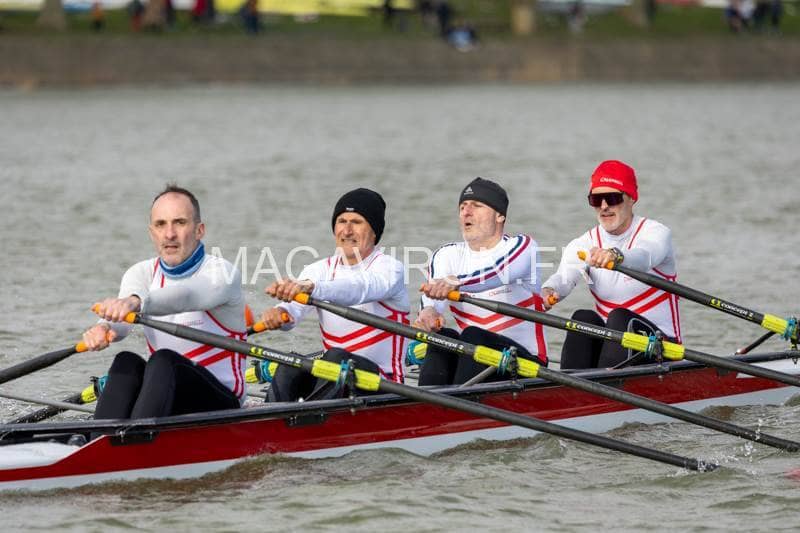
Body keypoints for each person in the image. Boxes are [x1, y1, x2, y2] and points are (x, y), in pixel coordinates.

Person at [83, 185, 247, 420]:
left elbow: (186, 296)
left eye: (179, 222)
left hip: (222, 402)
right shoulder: (140, 273)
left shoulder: (222, 273)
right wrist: (104, 327)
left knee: (164, 360)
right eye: (161, 224)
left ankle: (136, 436)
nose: (169, 234)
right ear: (152, 233)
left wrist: (135, 303)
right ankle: (98, 436)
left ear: (199, 230)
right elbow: (123, 322)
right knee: (126, 361)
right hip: (167, 394)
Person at [260, 188, 409, 401]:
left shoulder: (390, 269)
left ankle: (313, 415)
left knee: (336, 357)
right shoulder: (318, 270)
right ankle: (271, 417)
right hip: (336, 378)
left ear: (374, 231)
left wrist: (312, 288)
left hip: (385, 386)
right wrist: (279, 312)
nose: (347, 231)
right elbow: (293, 311)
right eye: (341, 221)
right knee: (290, 363)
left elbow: (359, 288)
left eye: (356, 222)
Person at [542, 160, 681, 370]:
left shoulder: (655, 233)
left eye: (613, 198)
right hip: (614, 350)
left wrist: (616, 256)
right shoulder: (583, 244)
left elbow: (644, 257)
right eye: (597, 199)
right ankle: (571, 385)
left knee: (619, 318)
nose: (604, 206)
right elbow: (564, 277)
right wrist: (548, 291)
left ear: (631, 198)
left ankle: (600, 384)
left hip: (662, 350)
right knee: (582, 318)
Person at [415, 177, 548, 386]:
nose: (466, 212)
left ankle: (459, 401)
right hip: (476, 363)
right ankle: (426, 402)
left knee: (472, 335)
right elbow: (433, 298)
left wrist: (457, 282)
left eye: (476, 205)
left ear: (500, 216)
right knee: (443, 338)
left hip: (525, 365)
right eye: (462, 207)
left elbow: (497, 272)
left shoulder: (522, 246)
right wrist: (429, 312)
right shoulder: (446, 255)